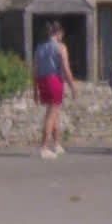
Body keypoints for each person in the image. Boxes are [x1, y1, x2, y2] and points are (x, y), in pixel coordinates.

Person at [33, 19, 77, 158]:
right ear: (57, 33)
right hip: (54, 80)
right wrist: (73, 85)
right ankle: (44, 147)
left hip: (41, 80)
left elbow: (34, 69)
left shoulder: (39, 47)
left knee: (55, 112)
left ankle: (57, 144)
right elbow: (66, 68)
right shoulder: (60, 47)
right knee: (51, 114)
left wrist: (35, 90)